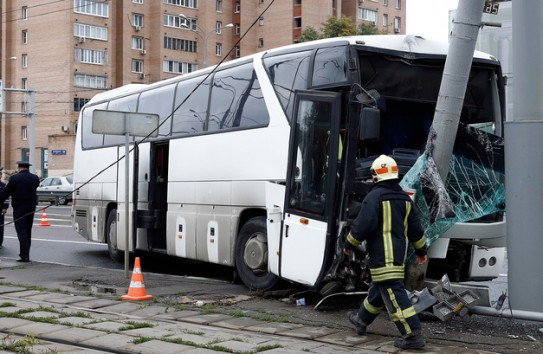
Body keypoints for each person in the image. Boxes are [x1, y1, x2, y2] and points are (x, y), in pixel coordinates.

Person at [344, 154, 428, 350]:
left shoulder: (374, 197)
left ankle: (413, 334)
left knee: (395, 295)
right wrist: (421, 251)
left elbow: (363, 225)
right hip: (397, 256)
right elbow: (416, 230)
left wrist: (349, 244)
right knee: (380, 289)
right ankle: (360, 320)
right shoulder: (406, 199)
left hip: (382, 256)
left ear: (375, 175)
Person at [0, 161, 40, 262]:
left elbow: (6, 193)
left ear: (18, 168)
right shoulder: (35, 178)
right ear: (28, 168)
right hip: (31, 207)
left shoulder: (14, 178)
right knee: (28, 230)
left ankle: (24, 255)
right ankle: (26, 254)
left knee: (21, 231)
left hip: (19, 208)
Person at [0, 166, 9, 249]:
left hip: (0, 209)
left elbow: (6, 198)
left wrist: (5, 208)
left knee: (0, 226)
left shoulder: (3, 185)